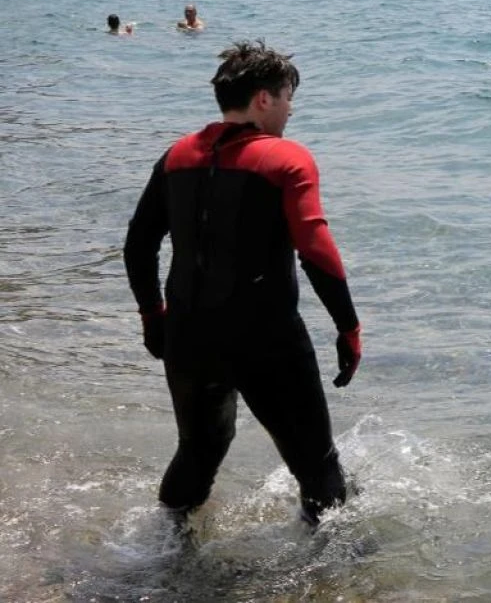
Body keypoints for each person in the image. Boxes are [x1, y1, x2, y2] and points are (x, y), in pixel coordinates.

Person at [123, 40, 363, 526]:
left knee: (197, 453)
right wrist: (348, 327)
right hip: (266, 338)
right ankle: (343, 580)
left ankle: (160, 556)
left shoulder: (176, 156)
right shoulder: (286, 160)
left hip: (189, 335)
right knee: (317, 468)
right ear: (264, 99)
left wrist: (154, 316)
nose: (291, 110)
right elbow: (316, 251)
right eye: (288, 97)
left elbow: (138, 244)